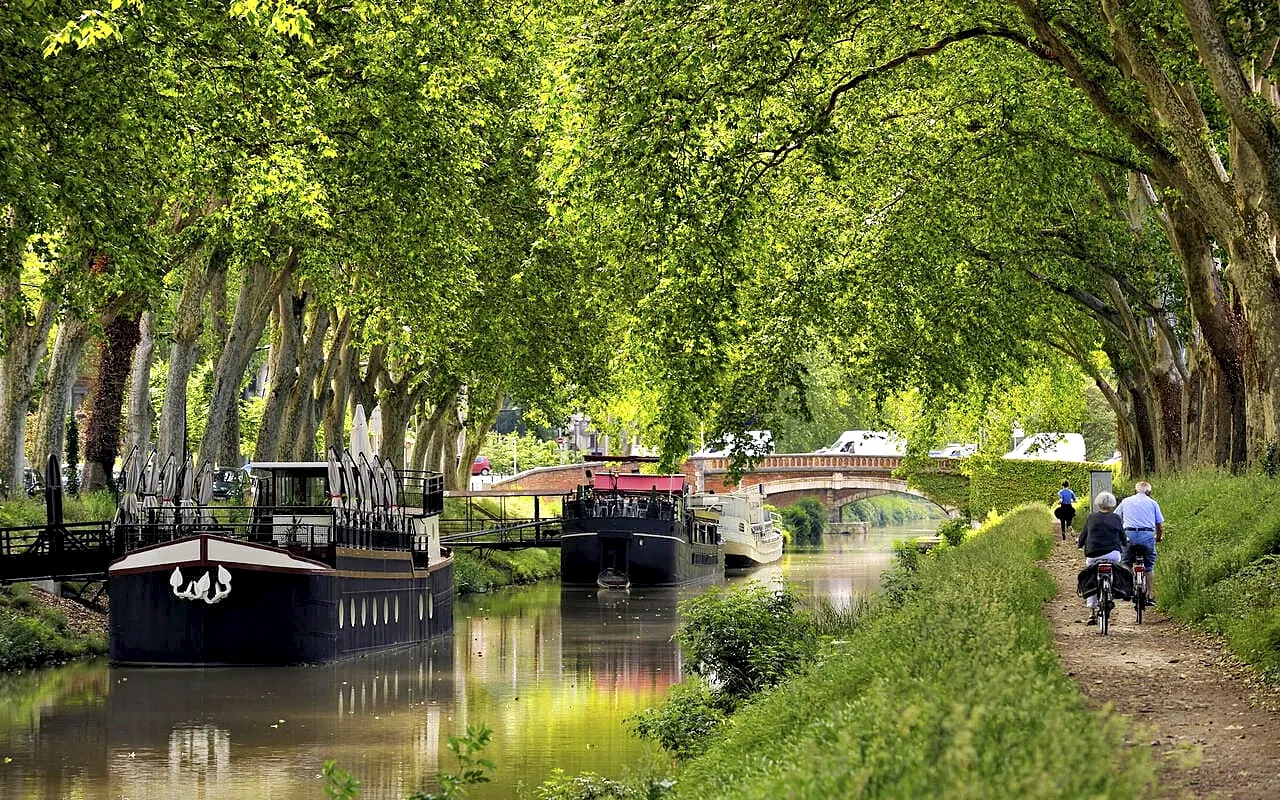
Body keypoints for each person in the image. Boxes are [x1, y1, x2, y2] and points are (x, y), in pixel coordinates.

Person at [1076, 491, 1126, 625]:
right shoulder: (1116, 518)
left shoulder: (1091, 517)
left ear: (1098, 503)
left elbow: (1084, 535)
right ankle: (1112, 590)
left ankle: (1091, 612)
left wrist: (1080, 544)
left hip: (1093, 554)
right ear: (1112, 504)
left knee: (1092, 579)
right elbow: (1122, 536)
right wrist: (1124, 543)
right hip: (1113, 554)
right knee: (1114, 569)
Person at [1115, 481, 1164, 603]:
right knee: (1148, 566)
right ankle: (1150, 594)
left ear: (1134, 491)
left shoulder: (1126, 501)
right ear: (1149, 492)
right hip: (1147, 536)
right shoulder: (1153, 503)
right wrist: (1158, 538)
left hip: (1129, 535)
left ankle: (1127, 589)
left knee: (1126, 562)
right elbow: (1159, 526)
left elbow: (1116, 518)